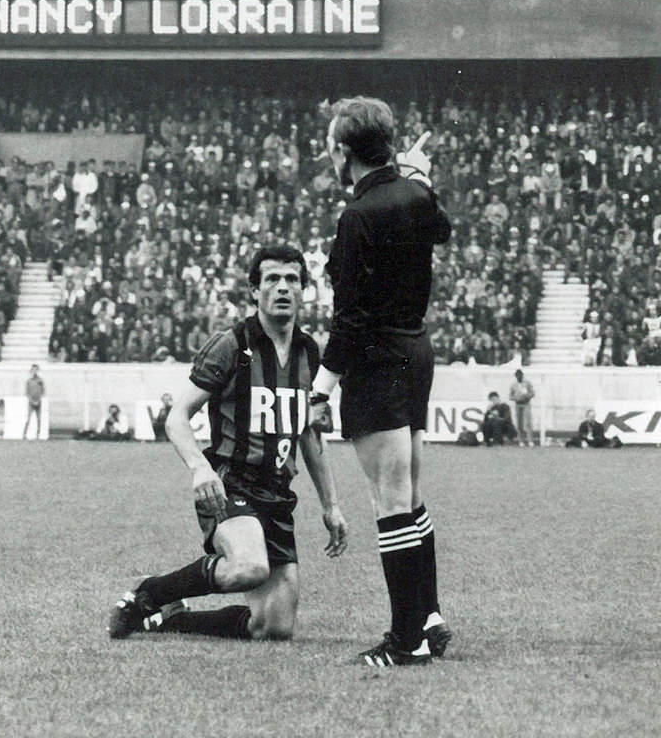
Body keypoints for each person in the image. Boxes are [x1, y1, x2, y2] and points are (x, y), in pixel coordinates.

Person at [108, 245, 348, 643]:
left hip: (277, 495)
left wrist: (331, 505)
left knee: (273, 627)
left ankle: (172, 619)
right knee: (249, 567)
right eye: (272, 279)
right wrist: (198, 467)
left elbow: (308, 432)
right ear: (255, 291)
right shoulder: (232, 344)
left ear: (304, 290)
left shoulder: (309, 353)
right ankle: (148, 594)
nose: (283, 287)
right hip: (230, 483)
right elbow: (178, 417)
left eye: (292, 279)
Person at [307, 97, 452, 667]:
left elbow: (351, 317)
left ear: (344, 151)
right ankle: (429, 616)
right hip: (416, 352)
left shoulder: (358, 216)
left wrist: (321, 387)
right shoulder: (415, 196)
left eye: (329, 143)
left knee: (388, 501)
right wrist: (415, 176)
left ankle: (405, 639)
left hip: (377, 360)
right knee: (410, 496)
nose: (326, 151)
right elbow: (440, 228)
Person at [509, 369, 536, 446]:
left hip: (526, 404)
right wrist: (516, 398)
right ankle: (521, 440)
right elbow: (510, 396)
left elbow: (533, 393)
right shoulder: (513, 385)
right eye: (517, 376)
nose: (519, 377)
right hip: (518, 405)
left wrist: (526, 396)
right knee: (519, 423)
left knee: (528, 422)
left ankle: (530, 440)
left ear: (522, 375)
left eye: (520, 375)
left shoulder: (527, 384)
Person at [23, 364, 45, 439]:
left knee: (39, 419)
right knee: (28, 418)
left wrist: (38, 400)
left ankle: (38, 434)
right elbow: (27, 393)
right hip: (31, 403)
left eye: (36, 370)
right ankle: (24, 434)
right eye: (33, 370)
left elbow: (43, 392)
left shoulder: (40, 380)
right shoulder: (29, 381)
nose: (34, 371)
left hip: (38, 402)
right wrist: (32, 401)